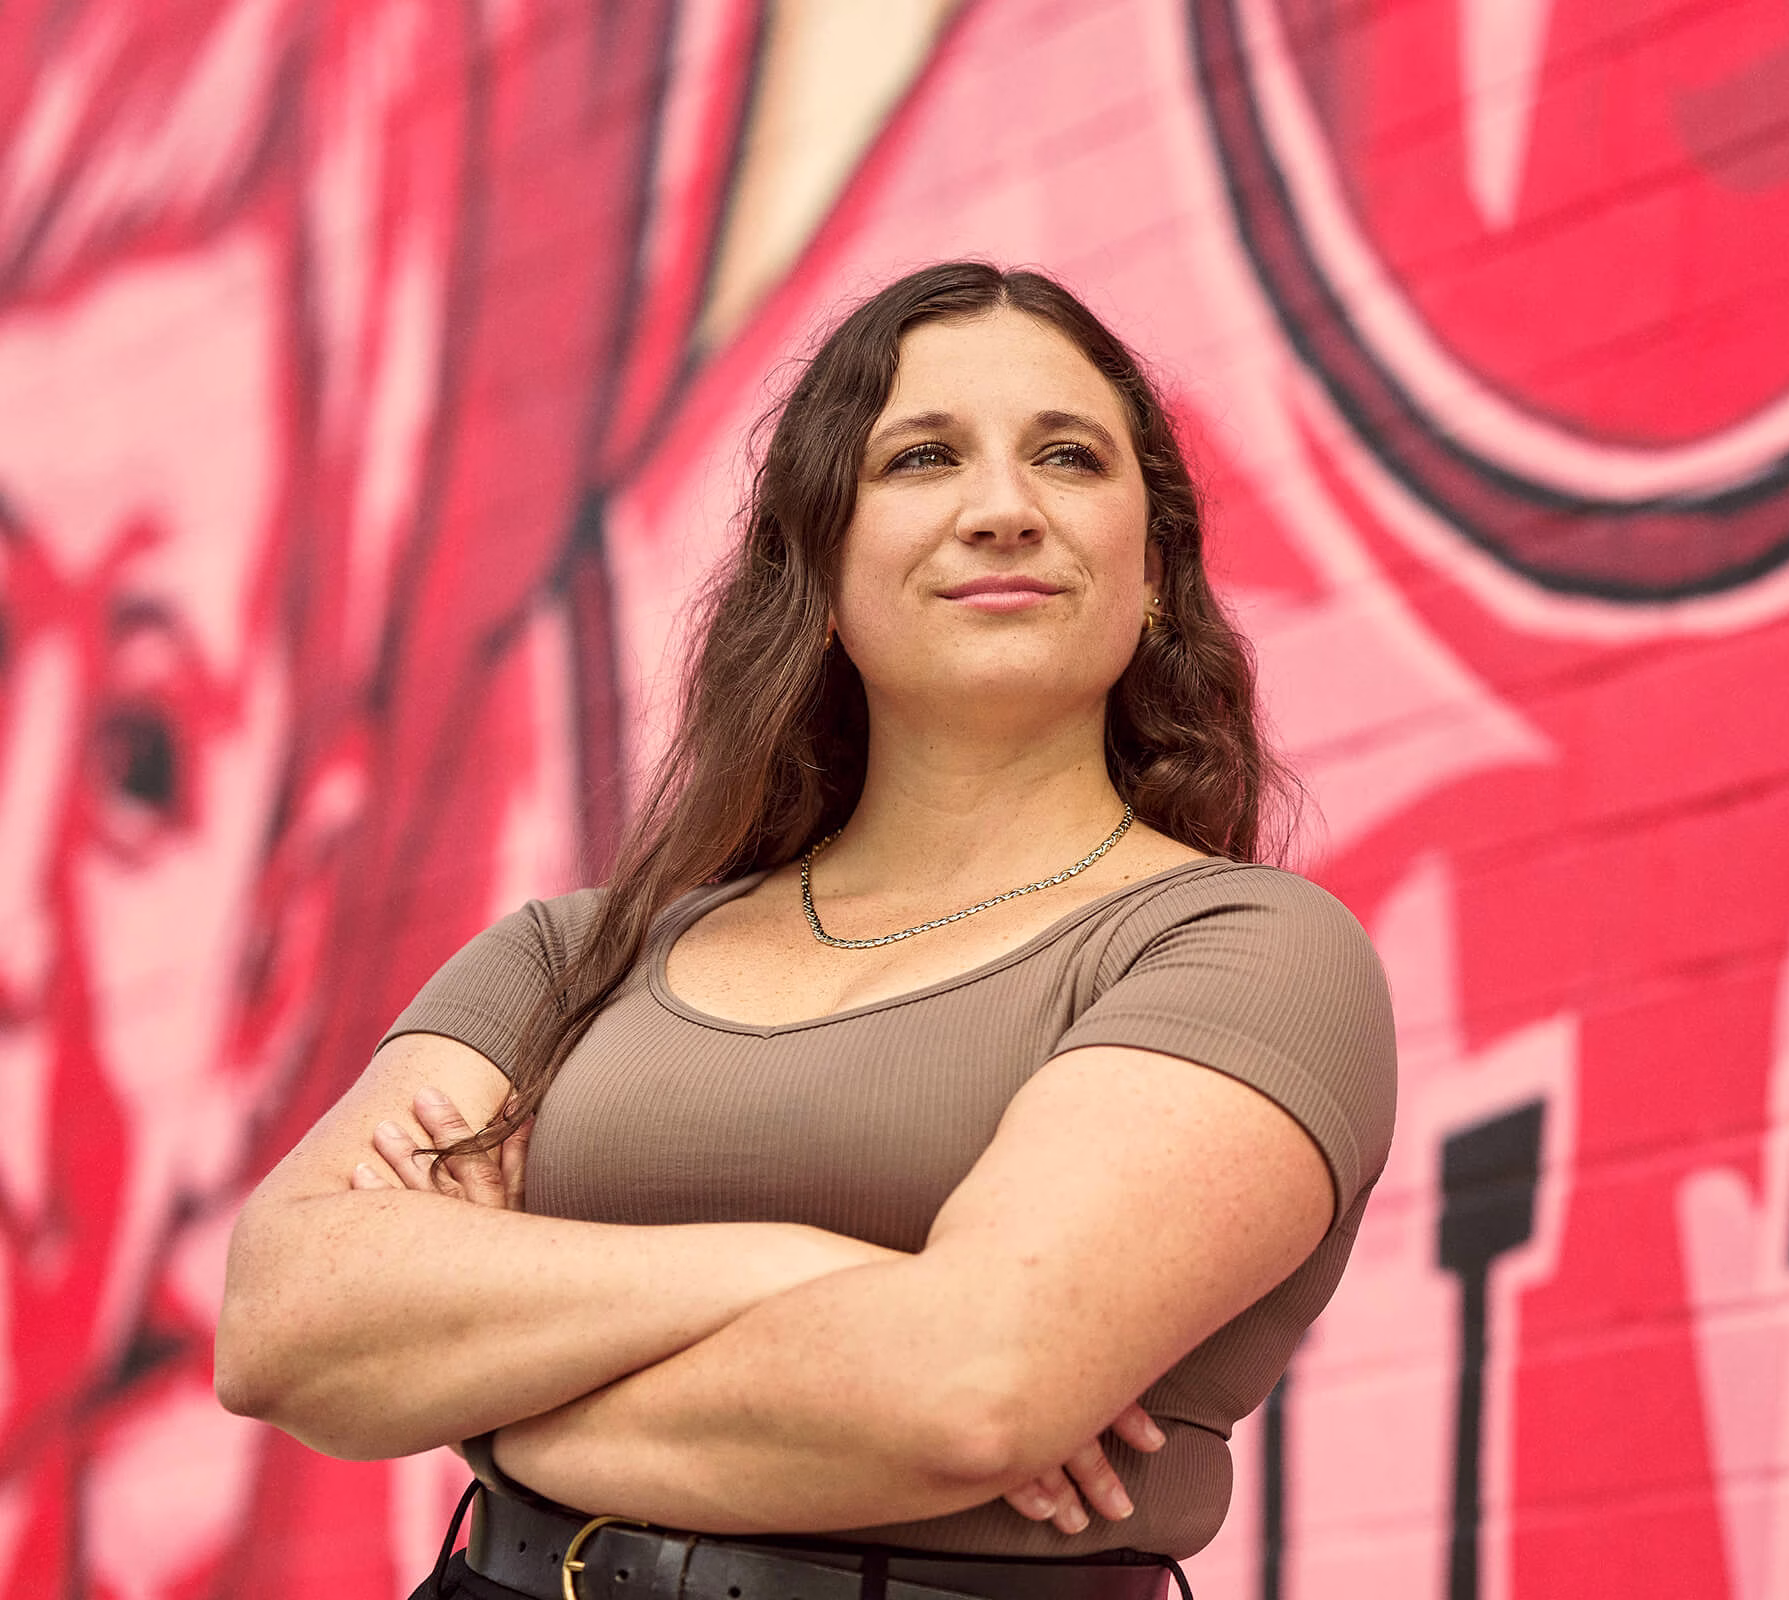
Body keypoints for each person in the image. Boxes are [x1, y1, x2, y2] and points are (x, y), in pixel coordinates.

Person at [215, 261, 1399, 1600]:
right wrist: (809, 1272)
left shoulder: (1242, 950)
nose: (1002, 511)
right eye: (921, 458)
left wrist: (483, 1399)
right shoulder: (578, 955)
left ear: (1156, 574)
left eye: (1067, 457)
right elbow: (283, 1322)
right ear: (821, 573)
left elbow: (971, 1388)